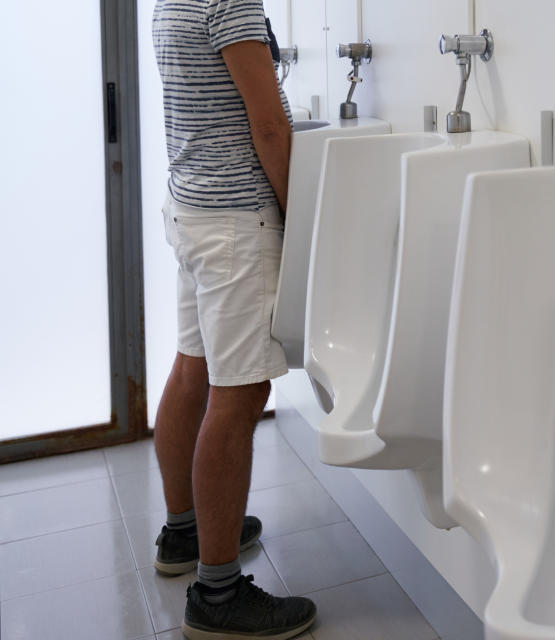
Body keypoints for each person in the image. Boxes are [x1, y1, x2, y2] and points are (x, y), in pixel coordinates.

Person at [150, 1, 316, 638]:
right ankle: (217, 593)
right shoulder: (231, 1)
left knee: (193, 371)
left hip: (191, 206)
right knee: (241, 394)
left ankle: (185, 533)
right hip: (235, 225)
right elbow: (268, 127)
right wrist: (298, 217)